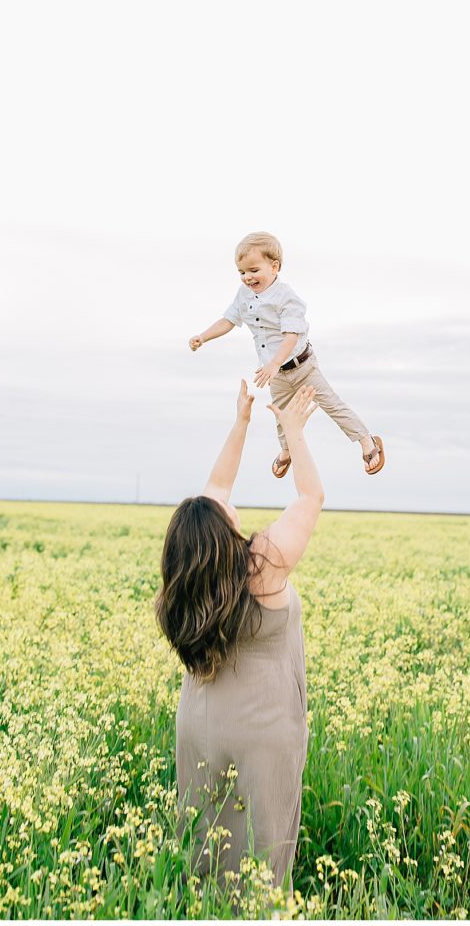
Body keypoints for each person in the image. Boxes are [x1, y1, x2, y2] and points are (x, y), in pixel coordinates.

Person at [155, 380, 324, 889]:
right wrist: (292, 430)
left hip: (201, 723)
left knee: (204, 846)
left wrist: (242, 422)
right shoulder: (260, 565)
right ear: (220, 533)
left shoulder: (189, 580)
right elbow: (311, 495)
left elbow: (215, 492)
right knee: (260, 856)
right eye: (226, 513)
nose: (229, 504)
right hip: (261, 732)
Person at [188, 230, 385, 479]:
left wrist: (273, 363)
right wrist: (203, 337)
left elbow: (291, 335)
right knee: (280, 415)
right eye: (242, 272)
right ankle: (286, 451)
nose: (247, 277)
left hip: (302, 366)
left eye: (253, 270)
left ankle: (367, 441)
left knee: (331, 404)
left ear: (274, 266)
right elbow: (228, 320)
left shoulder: (287, 297)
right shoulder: (244, 296)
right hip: (277, 372)